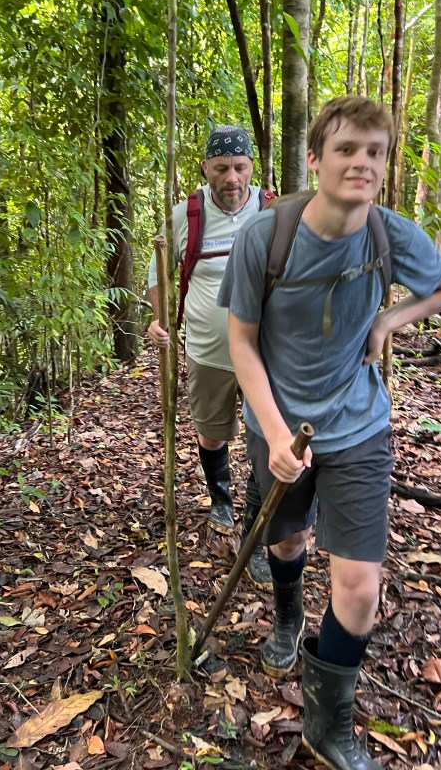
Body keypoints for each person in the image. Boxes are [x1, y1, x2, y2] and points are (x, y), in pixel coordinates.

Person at [218, 96, 441, 768]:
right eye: (347, 149)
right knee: (288, 539)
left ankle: (327, 725)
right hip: (278, 422)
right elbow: (241, 343)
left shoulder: (390, 234)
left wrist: (387, 322)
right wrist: (275, 434)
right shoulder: (266, 237)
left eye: (375, 152)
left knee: (359, 585)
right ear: (315, 158)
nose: (362, 163)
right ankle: (288, 617)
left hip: (359, 424)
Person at [147, 125, 272, 589]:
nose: (232, 178)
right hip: (208, 351)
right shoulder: (186, 214)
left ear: (252, 167)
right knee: (212, 434)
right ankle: (221, 498)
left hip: (266, 356)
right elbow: (158, 273)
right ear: (205, 168)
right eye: (221, 168)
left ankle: (257, 536)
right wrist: (158, 319)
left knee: (266, 445)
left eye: (240, 167)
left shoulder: (272, 211)